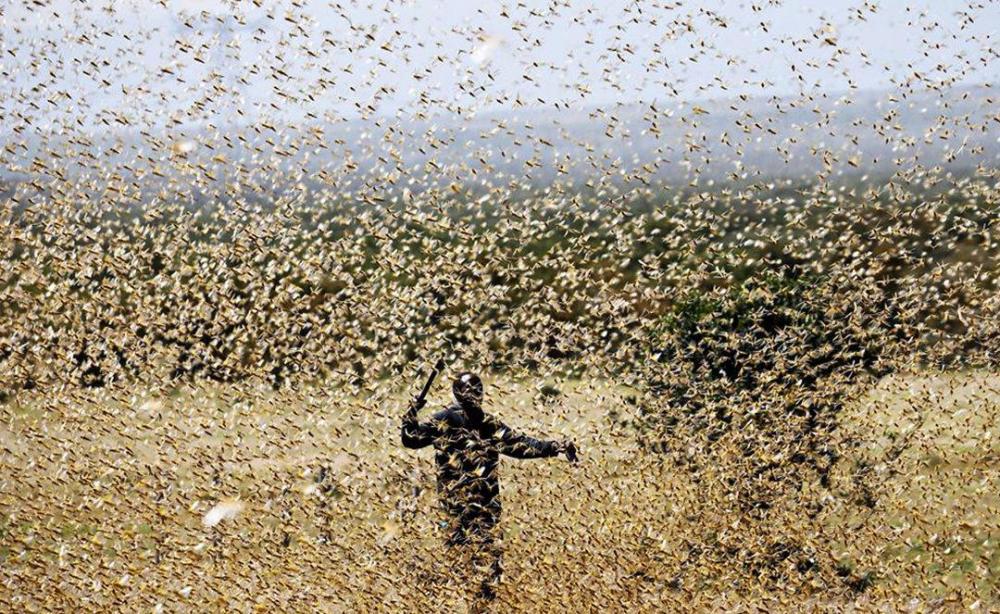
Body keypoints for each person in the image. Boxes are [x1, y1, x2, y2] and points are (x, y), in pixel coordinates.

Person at [401, 372, 578, 604]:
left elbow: (410, 438)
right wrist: (555, 446)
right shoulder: (484, 423)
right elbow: (522, 446)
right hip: (481, 508)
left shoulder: (449, 421)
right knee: (483, 570)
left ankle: (465, 603)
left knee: (464, 565)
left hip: (459, 507)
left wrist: (411, 413)